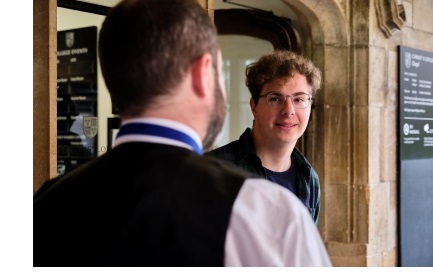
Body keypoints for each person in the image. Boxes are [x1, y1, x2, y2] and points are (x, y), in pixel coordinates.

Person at [33, 0, 331, 267]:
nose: (289, 109)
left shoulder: (47, 202)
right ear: (203, 74)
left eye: (300, 99)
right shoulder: (264, 208)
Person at [206, 50, 322, 225]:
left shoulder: (309, 178)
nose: (289, 110)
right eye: (275, 98)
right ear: (254, 106)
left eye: (299, 99)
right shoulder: (215, 171)